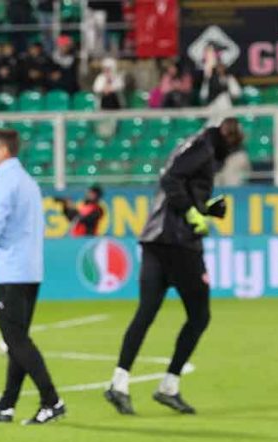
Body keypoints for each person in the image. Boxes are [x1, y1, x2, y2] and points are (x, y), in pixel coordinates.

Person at [104, 118, 244, 415]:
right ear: (228, 141)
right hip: (178, 244)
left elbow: (177, 185)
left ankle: (119, 383)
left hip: (155, 240)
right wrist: (194, 213)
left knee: (146, 313)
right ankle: (169, 386)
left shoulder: (191, 145)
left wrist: (206, 209)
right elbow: (171, 181)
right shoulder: (204, 149)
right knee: (199, 315)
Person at [0, 128, 65, 425]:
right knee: (17, 341)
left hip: (9, 272)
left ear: (2, 151)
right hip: (30, 271)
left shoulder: (2, 183)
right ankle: (6, 406)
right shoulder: (27, 182)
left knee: (16, 341)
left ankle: (52, 400)